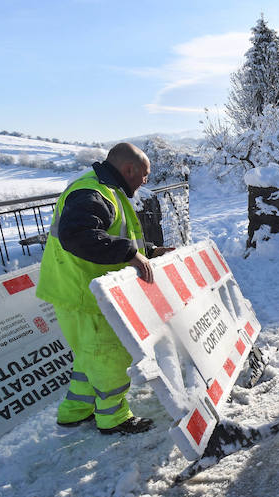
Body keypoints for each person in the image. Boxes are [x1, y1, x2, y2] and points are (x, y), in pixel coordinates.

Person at [37, 142, 172, 435]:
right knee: (109, 356)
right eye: (145, 174)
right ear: (129, 169)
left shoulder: (104, 190)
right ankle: (114, 418)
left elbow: (112, 235)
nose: (146, 181)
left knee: (89, 356)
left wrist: (148, 251)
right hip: (87, 296)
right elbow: (78, 235)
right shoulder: (93, 192)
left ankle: (75, 411)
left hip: (74, 291)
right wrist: (129, 254)